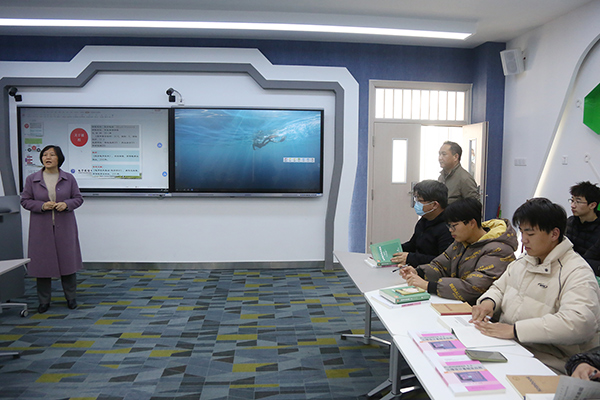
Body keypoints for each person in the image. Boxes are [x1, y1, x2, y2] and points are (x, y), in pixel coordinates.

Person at [471, 198, 600, 374]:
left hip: (547, 361)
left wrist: (515, 331)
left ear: (554, 234)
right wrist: (489, 302)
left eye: (530, 234)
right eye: (522, 232)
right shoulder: (525, 261)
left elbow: (578, 322)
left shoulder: (576, 272)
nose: (524, 240)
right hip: (510, 346)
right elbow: (499, 288)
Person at [400, 197, 517, 305]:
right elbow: (441, 266)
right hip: (458, 303)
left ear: (471, 223)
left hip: (480, 310)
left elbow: (473, 288)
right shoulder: (462, 241)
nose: (450, 230)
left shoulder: (498, 250)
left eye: (454, 226)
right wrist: (418, 272)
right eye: (449, 226)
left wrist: (428, 286)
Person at [20, 145, 84, 314]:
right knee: (42, 265)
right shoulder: (32, 179)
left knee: (68, 264)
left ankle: (71, 298)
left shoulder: (68, 178)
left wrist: (66, 204)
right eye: (44, 155)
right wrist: (41, 206)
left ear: (59, 159)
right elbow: (25, 201)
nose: (47, 158)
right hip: (41, 228)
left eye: (51, 155)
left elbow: (78, 199)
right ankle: (44, 301)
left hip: (65, 227)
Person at [390, 180, 453, 266]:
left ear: (435, 205)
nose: (416, 204)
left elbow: (443, 261)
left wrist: (410, 258)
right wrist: (392, 250)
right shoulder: (424, 220)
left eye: (420, 201)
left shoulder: (449, 228)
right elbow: (413, 245)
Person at [566, 181, 600, 274]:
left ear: (592, 205)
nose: (572, 205)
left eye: (578, 201)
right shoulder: (569, 222)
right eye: (572, 200)